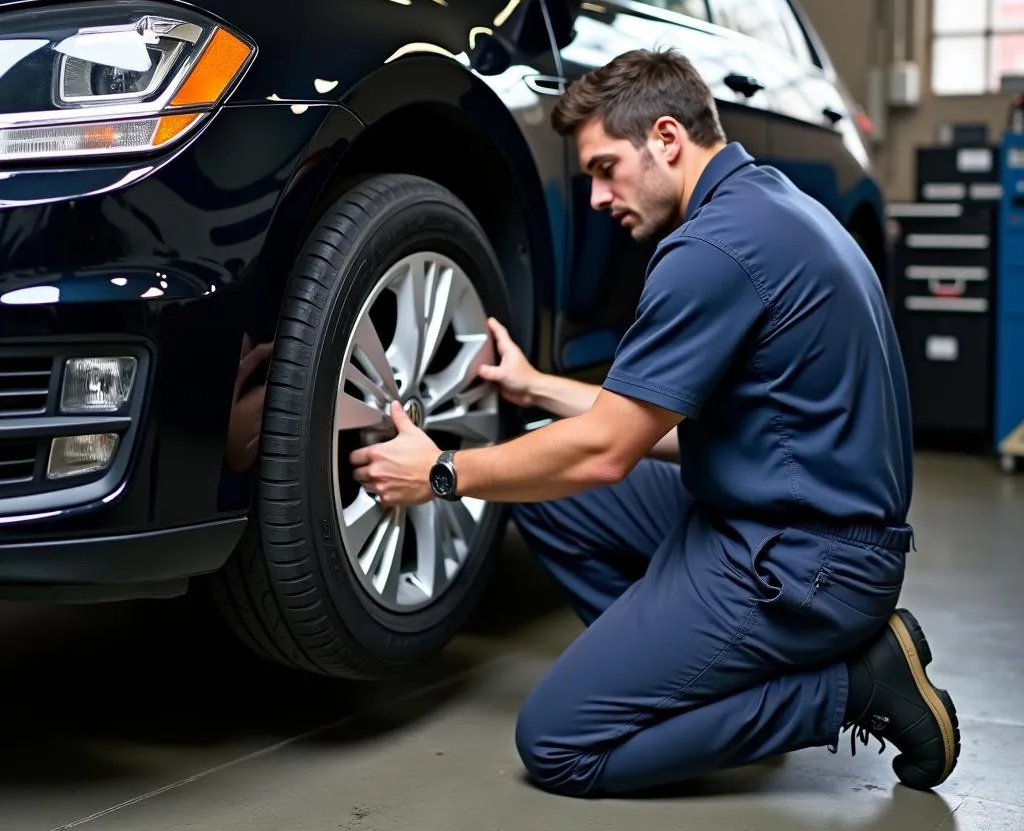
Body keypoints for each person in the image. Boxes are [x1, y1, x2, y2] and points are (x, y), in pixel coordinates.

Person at [349, 48, 960, 798]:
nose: (599, 197)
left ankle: (853, 687)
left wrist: (441, 473)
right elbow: (663, 427)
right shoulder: (769, 208)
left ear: (666, 138)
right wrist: (536, 387)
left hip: (806, 566)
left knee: (559, 745)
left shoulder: (708, 252)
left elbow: (607, 452)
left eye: (606, 168)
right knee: (545, 484)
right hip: (796, 524)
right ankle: (706, 689)